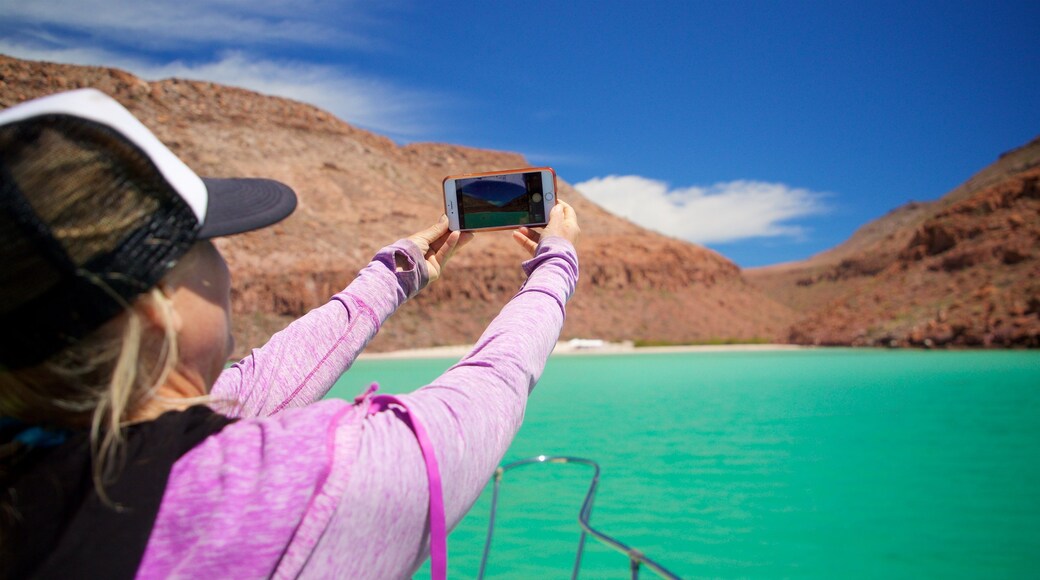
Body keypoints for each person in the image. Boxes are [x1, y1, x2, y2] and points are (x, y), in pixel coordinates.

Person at [0, 88, 580, 579]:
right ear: (157, 307)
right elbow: (481, 400)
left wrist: (395, 275)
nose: (222, 266)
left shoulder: (32, 466)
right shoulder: (299, 484)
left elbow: (255, 389)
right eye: (206, 245)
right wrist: (555, 267)